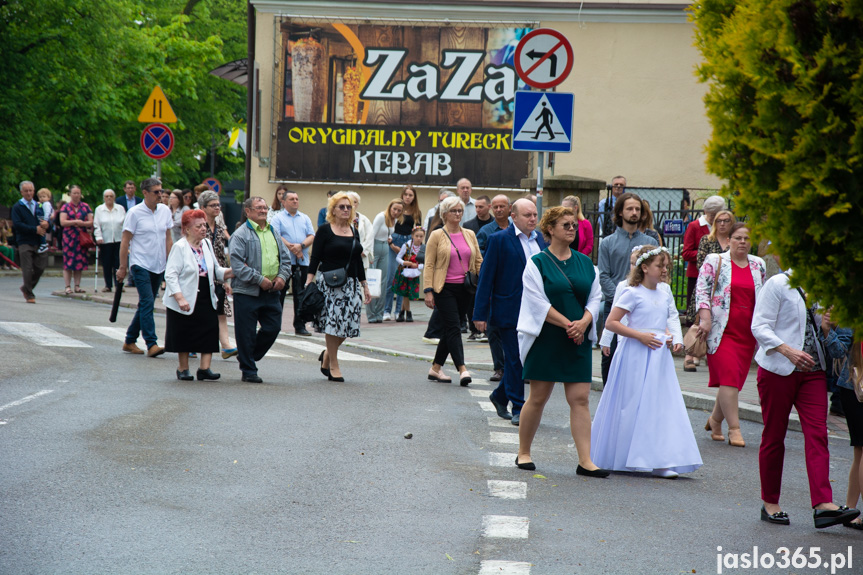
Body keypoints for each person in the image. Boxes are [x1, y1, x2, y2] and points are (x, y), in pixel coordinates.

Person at [751, 266, 861, 529]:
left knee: (817, 434)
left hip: (813, 372)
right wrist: (787, 351)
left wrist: (827, 327)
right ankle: (770, 503)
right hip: (779, 369)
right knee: (774, 435)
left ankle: (823, 504)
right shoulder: (778, 284)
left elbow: (830, 339)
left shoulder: (825, 290)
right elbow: (759, 326)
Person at [592, 246, 702, 479]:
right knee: (631, 404)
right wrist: (639, 335)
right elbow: (612, 322)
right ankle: (624, 456)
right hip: (634, 353)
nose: (664, 270)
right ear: (644, 268)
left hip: (658, 356)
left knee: (659, 404)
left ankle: (661, 459)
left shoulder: (664, 292)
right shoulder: (632, 292)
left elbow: (668, 317)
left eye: (665, 265)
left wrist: (674, 338)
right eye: (659, 265)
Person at [515, 206, 605, 474]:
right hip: (547, 338)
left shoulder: (586, 263)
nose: (571, 229)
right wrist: (569, 324)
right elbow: (536, 302)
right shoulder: (537, 263)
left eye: (573, 225)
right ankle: (523, 452)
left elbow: (595, 297)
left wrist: (585, 322)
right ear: (550, 230)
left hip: (577, 339)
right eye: (565, 225)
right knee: (538, 397)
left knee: (580, 399)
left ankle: (585, 461)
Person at [474, 199, 546, 425]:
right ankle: (518, 407)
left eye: (535, 214)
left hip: (536, 311)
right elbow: (486, 278)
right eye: (527, 215)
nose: (533, 219)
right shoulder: (499, 240)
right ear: (513, 217)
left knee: (526, 360)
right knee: (514, 359)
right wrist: (479, 314)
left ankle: (499, 396)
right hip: (509, 310)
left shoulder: (541, 240)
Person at [695, 223, 766, 446]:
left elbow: (762, 297)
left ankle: (715, 420)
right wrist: (704, 318)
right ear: (728, 241)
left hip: (747, 333)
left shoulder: (758, 264)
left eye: (746, 238)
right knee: (728, 379)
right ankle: (734, 429)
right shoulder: (715, 261)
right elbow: (702, 290)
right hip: (720, 330)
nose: (742, 241)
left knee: (733, 382)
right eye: (737, 238)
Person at [306, 192, 371, 382]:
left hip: (350, 284)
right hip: (330, 284)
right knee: (333, 324)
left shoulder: (354, 230)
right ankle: (334, 364)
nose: (345, 210)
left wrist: (364, 285)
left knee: (349, 325)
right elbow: (315, 257)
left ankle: (327, 354)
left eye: (348, 207)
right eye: (341, 206)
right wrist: (309, 281)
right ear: (333, 210)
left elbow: (357, 260)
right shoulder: (325, 230)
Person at [163, 209, 234, 381]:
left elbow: (215, 270)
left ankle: (205, 368)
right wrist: (179, 298)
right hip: (185, 293)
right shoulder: (180, 247)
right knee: (184, 331)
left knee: (209, 329)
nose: (203, 228)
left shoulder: (207, 244)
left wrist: (232, 272)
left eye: (204, 225)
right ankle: (183, 368)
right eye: (198, 226)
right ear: (187, 228)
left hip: (205, 292)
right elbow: (171, 275)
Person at [597, 192, 658, 385]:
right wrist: (621, 298)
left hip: (643, 308)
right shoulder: (607, 243)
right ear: (620, 212)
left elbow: (658, 276)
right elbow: (604, 275)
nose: (634, 212)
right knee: (611, 355)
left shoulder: (651, 244)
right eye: (629, 209)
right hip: (615, 306)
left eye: (637, 209)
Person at [229, 197, 291, 383]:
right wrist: (259, 279)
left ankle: (247, 356)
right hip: (247, 291)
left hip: (272, 291)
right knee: (246, 332)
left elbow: (285, 260)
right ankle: (248, 370)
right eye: (258, 208)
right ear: (248, 211)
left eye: (264, 208)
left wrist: (281, 277)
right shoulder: (240, 235)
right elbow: (237, 265)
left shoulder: (273, 232)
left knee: (273, 328)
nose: (263, 211)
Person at [423, 196, 482, 386]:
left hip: (466, 288)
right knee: (455, 327)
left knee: (450, 329)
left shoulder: (469, 234)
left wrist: (485, 283)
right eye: (453, 211)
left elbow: (478, 260)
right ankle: (462, 369)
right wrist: (428, 290)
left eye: (460, 211)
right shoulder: (437, 235)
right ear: (445, 214)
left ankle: (435, 368)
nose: (457, 214)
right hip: (444, 288)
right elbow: (429, 264)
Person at [117, 178, 173, 357]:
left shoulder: (165, 211)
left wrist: (171, 261)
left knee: (145, 304)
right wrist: (123, 267)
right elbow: (125, 241)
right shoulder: (134, 213)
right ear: (146, 193)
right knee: (148, 301)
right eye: (156, 192)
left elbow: (168, 237)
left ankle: (130, 340)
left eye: (161, 191)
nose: (160, 195)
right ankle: (152, 343)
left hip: (158, 264)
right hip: (140, 263)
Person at [819, 315, 862, 529]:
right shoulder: (853, 305)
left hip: (852, 387)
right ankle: (852, 511)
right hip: (855, 388)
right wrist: (827, 331)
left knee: (859, 452)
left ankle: (851, 510)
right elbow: (837, 351)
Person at [683, 209, 736, 364]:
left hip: (726, 290)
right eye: (719, 220)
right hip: (708, 286)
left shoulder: (734, 241)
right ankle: (691, 353)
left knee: (720, 321)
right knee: (698, 319)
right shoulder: (707, 239)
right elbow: (701, 263)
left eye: (726, 220)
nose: (722, 224)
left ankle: (710, 352)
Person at [271, 189, 315, 336]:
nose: (295, 201)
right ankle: (275, 324)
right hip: (285, 262)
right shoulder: (278, 218)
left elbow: (311, 235)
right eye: (292, 199)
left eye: (297, 198)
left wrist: (300, 246)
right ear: (283, 202)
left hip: (302, 262)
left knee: (300, 294)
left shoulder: (305, 218)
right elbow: (276, 235)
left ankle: (300, 325)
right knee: (280, 293)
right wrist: (293, 247)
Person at [198, 190, 237, 358]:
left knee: (221, 310)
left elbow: (221, 255)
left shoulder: (220, 228)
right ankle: (193, 344)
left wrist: (226, 280)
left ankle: (226, 345)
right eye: (213, 205)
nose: (217, 208)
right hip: (200, 275)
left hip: (218, 275)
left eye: (218, 205)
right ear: (203, 208)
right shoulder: (197, 226)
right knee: (199, 312)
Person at [682, 194, 726, 316]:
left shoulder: (724, 227)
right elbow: (686, 253)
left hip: (720, 277)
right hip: (697, 276)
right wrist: (707, 254)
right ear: (705, 211)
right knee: (697, 313)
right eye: (712, 215)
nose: (714, 219)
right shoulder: (695, 226)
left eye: (717, 214)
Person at [385, 185, 421, 321]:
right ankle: (386, 310)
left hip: (407, 242)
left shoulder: (417, 212)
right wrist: (391, 244)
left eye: (411, 195)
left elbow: (418, 232)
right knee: (390, 278)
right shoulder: (397, 209)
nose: (408, 197)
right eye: (406, 194)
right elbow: (388, 225)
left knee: (403, 278)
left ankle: (398, 311)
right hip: (395, 239)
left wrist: (414, 247)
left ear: (414, 197)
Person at [11, 180, 49, 303]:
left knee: (40, 266)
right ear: (21, 192)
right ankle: (29, 294)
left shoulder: (39, 205)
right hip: (24, 241)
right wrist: (34, 229)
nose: (29, 193)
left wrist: (47, 224)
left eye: (31, 190)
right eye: (26, 191)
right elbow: (17, 225)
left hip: (39, 241)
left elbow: (47, 219)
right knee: (27, 268)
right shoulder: (18, 207)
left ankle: (26, 287)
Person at [367, 199, 404, 323]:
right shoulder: (380, 217)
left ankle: (379, 313)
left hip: (386, 247)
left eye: (399, 210)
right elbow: (371, 235)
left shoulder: (395, 220)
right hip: (375, 247)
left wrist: (389, 240)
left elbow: (389, 233)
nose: (396, 212)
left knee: (384, 281)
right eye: (394, 209)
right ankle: (371, 314)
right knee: (373, 280)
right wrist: (370, 254)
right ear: (390, 207)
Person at [59, 185, 94, 294]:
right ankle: (67, 286)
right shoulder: (65, 207)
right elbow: (62, 222)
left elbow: (91, 221)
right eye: (74, 193)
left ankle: (77, 286)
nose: (76, 195)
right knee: (68, 262)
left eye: (78, 193)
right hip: (69, 238)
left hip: (81, 238)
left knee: (79, 262)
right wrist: (75, 222)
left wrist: (82, 223)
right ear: (70, 194)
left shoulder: (86, 207)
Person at [93, 189, 126, 293]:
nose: (109, 198)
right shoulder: (99, 209)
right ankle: (108, 285)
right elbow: (97, 225)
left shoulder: (120, 208)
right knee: (107, 263)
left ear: (114, 197)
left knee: (118, 262)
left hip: (119, 239)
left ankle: (119, 284)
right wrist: (98, 237)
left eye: (111, 196)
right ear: (104, 198)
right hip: (105, 240)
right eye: (106, 196)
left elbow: (125, 223)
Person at [393, 226, 425, 323]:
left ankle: (402, 313)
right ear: (412, 235)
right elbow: (398, 257)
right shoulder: (406, 245)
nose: (419, 238)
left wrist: (418, 266)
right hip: (404, 272)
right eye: (417, 236)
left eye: (421, 236)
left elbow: (426, 262)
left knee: (407, 293)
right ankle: (409, 313)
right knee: (405, 293)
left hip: (414, 273)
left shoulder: (423, 248)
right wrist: (404, 262)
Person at [345, 192, 374, 271]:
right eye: (350, 201)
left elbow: (370, 235)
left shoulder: (364, 219)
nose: (353, 204)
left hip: (361, 255)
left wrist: (362, 250)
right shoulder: (341, 218)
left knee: (361, 279)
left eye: (355, 202)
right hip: (345, 255)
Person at [36, 188, 54, 253]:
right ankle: (43, 243)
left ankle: (43, 244)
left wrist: (45, 220)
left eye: (44, 196)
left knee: (42, 232)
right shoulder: (42, 203)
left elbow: (47, 212)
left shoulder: (46, 204)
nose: (42, 198)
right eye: (40, 197)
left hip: (43, 220)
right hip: (42, 219)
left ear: (48, 197)